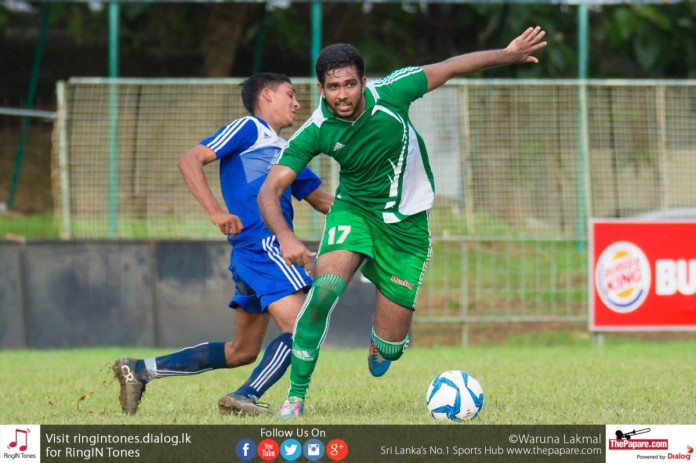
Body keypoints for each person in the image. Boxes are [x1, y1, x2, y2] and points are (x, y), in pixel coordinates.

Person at [257, 27, 547, 418]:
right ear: (322, 89)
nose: (341, 95)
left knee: (389, 350)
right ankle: (295, 397)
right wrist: (286, 237)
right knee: (323, 289)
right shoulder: (317, 130)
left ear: (363, 81)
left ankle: (384, 341)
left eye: (348, 84)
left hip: (407, 226)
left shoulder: (393, 91)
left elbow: (450, 66)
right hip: (354, 212)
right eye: (332, 87)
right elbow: (269, 190)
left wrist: (507, 54)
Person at [113, 72, 333, 417]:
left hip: (252, 255)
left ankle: (140, 370)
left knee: (241, 352)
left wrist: (372, 212)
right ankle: (245, 395)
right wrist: (215, 211)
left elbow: (322, 201)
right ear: (266, 96)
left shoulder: (288, 152)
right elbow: (190, 159)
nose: (297, 103)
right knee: (304, 327)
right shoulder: (250, 129)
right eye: (290, 94)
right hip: (264, 248)